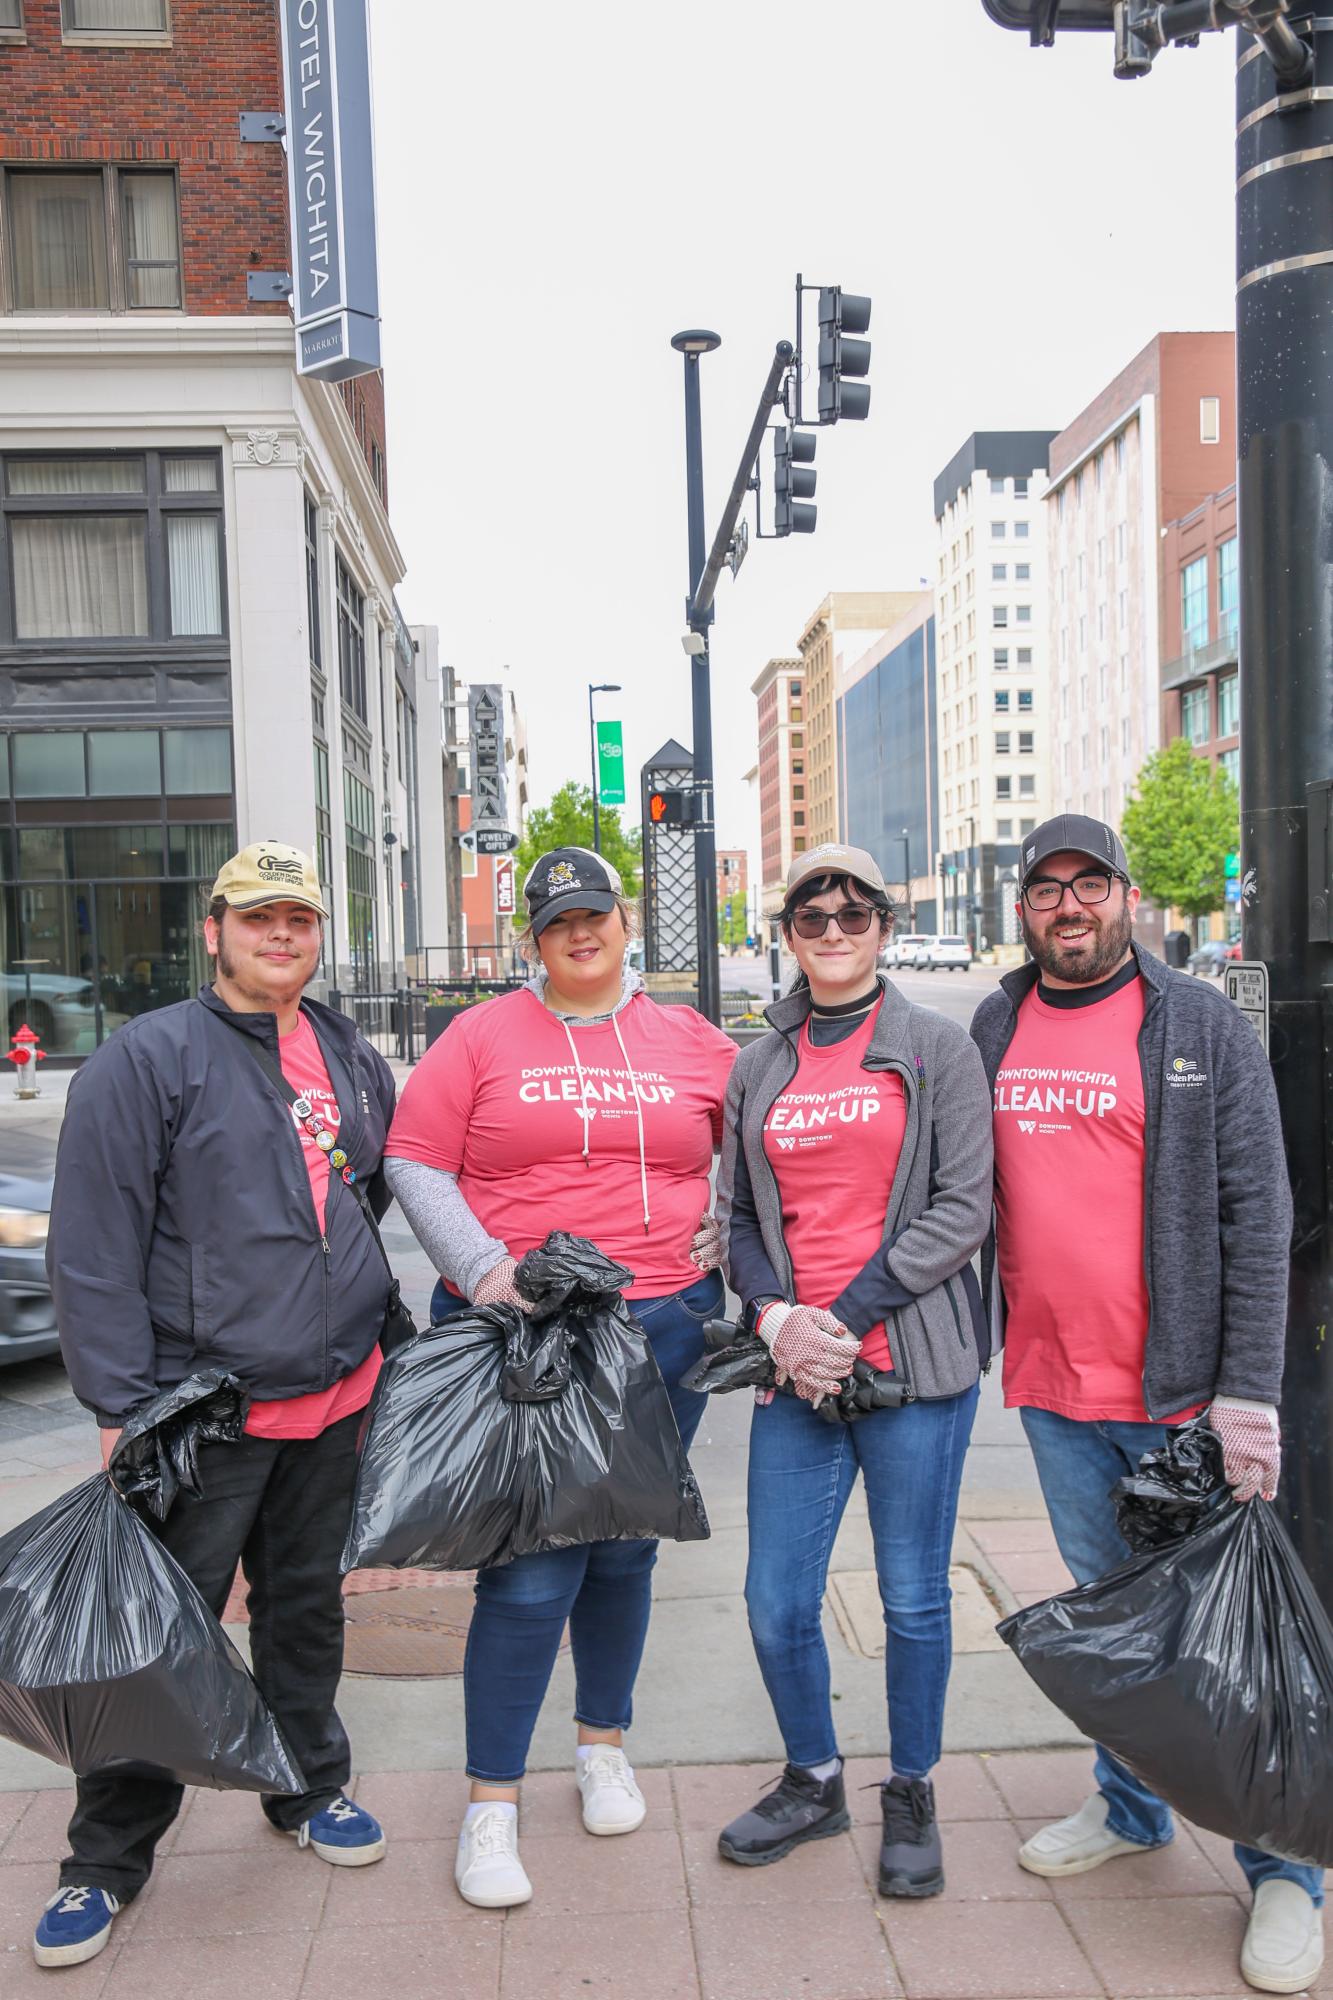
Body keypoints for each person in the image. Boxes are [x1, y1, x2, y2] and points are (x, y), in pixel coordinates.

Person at [970, 812, 1324, 1998]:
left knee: (1224, 1638)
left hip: (1181, 1397)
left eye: (1090, 884)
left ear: (1125, 896)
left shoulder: (1197, 1022)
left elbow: (1258, 1211)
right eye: (1046, 889)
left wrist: (1248, 1393)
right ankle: (1130, 1806)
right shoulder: (995, 1022)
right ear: (1024, 909)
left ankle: (1284, 1867)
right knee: (1116, 1627)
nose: (1068, 906)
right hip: (1053, 1389)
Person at [36, 842, 395, 1970]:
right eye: (257, 917)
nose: (280, 935)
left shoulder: (348, 1050)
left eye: (299, 918)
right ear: (214, 930)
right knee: (157, 1635)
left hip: (336, 1398)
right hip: (203, 1416)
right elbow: (91, 1248)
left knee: (306, 1611)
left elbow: (362, 1195)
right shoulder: (146, 1059)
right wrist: (119, 1407)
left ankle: (306, 1787)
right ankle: (105, 1858)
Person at [384, 846, 735, 1910]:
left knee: (625, 1548)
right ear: (533, 939)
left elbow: (760, 1146)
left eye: (594, 915)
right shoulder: (481, 1033)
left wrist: (728, 1224)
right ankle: (491, 1801)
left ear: (624, 922)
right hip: (530, 1334)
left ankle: (601, 1744)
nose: (578, 934)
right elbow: (413, 1156)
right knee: (531, 1567)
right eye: (556, 922)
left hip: (662, 1325)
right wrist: (484, 1268)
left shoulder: (692, 1038)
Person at [713, 845, 994, 1898]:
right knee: (774, 1599)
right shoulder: (760, 1062)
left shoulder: (935, 1047)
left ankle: (910, 1787)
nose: (832, 931)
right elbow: (739, 1216)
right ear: (787, 933)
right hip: (796, 1374)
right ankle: (813, 1777)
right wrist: (778, 1317)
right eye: (811, 916)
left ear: (882, 924)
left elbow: (963, 1208)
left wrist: (845, 1316)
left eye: (852, 914)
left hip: (910, 1371)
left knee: (912, 1596)